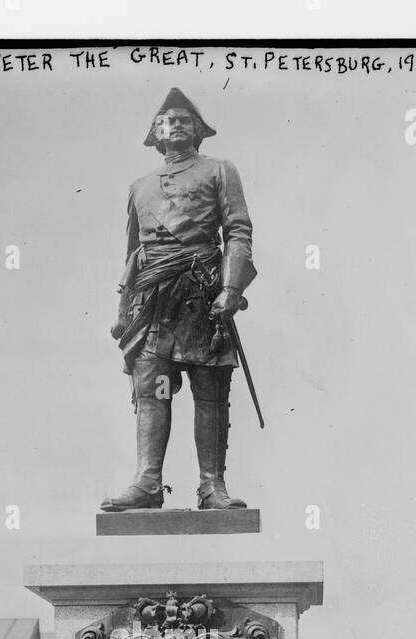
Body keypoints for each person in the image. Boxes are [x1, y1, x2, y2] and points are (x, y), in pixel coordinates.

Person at [102, 89, 256, 513]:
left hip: (201, 294)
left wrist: (231, 289)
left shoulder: (220, 170)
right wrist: (123, 308)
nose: (175, 125)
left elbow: (238, 231)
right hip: (152, 300)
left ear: (197, 131)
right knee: (154, 389)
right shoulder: (139, 188)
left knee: (210, 390)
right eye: (166, 121)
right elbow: (133, 254)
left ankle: (212, 486)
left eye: (184, 120)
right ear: (155, 133)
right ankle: (148, 482)